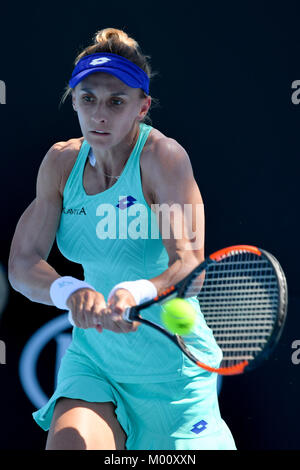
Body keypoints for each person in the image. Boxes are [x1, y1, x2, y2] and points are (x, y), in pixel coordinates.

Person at [8, 28, 236, 450]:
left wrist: (135, 291)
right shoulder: (60, 164)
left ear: (142, 107)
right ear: (73, 99)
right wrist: (70, 290)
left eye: (116, 102)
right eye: (87, 98)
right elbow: (23, 263)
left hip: (174, 374)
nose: (99, 115)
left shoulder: (162, 159)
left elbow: (189, 264)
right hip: (95, 362)